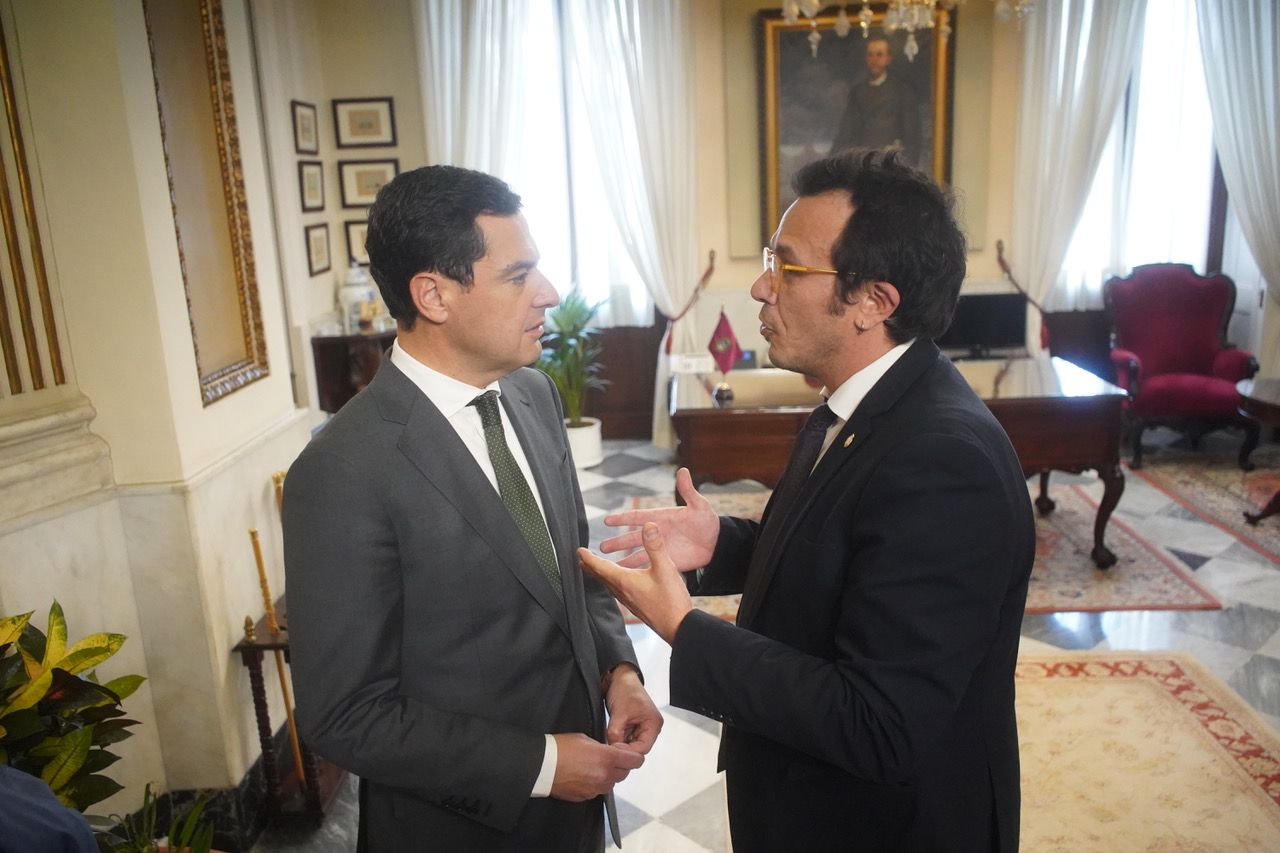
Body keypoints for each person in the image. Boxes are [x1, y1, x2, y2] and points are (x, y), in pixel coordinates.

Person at [580, 149, 1035, 852]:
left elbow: (879, 723)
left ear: (873, 303)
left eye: (787, 268)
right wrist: (722, 545)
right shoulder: (854, 406)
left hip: (884, 825)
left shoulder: (946, 461)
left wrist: (684, 628)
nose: (761, 287)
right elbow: (850, 562)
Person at [283, 164, 661, 852]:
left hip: (575, 818)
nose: (547, 294)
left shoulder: (535, 395)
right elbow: (346, 715)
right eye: (518, 277)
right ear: (433, 294)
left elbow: (571, 571)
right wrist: (544, 765)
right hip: (459, 829)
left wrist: (619, 672)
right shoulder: (342, 469)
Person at [830, 37, 922, 167]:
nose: (874, 60)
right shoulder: (857, 92)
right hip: (861, 164)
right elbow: (846, 131)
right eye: (870, 55)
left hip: (889, 165)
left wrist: (909, 170)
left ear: (888, 59)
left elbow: (912, 138)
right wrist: (831, 164)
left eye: (879, 55)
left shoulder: (902, 92)